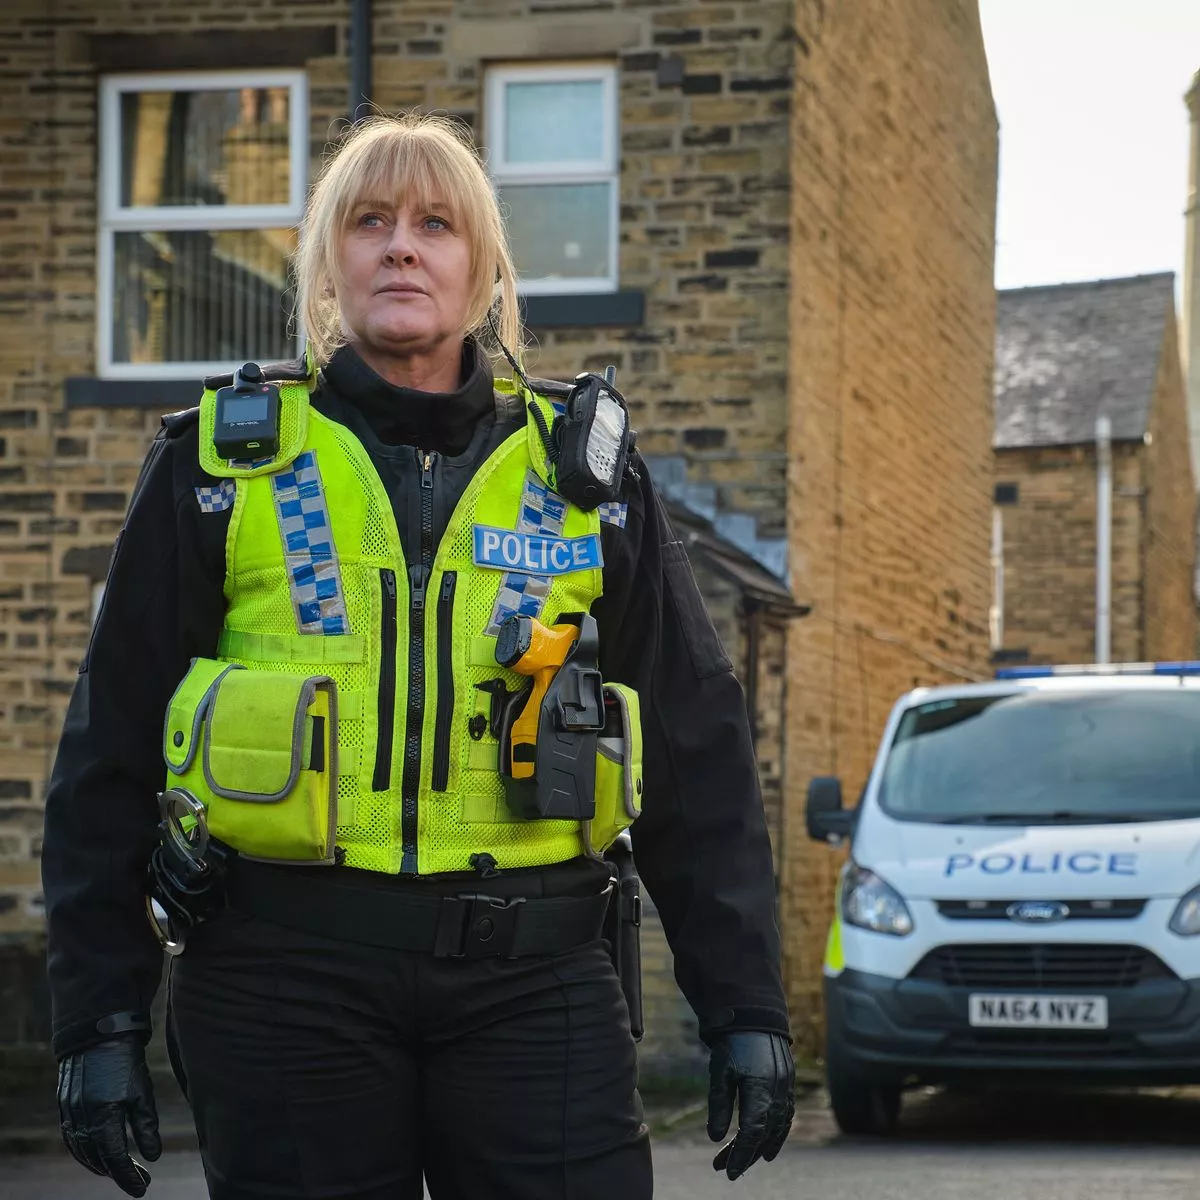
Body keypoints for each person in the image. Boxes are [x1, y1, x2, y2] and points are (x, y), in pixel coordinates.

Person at [43, 112, 795, 1200]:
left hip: (537, 985)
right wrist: (97, 1019)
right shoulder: (216, 465)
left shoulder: (582, 475)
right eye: (370, 222)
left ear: (484, 272)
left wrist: (744, 1005)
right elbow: (107, 750)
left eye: (437, 224)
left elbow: (696, 747)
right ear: (327, 266)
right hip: (281, 980)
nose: (402, 245)